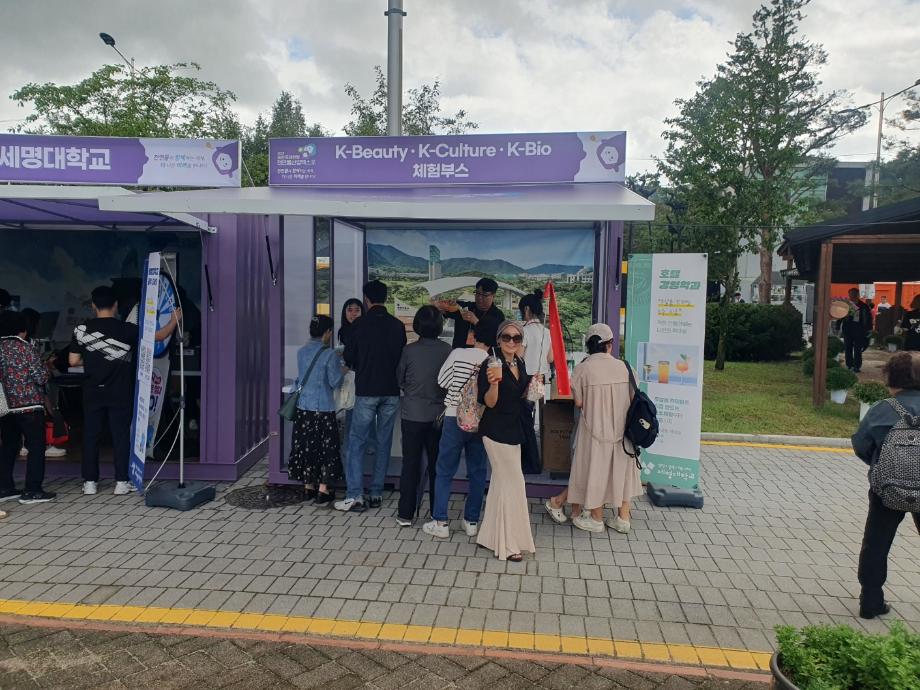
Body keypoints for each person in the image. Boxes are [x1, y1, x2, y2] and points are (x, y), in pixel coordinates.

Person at [545, 324, 641, 533]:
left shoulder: (583, 369)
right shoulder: (626, 367)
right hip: (624, 433)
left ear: (589, 346)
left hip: (595, 431)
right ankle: (623, 518)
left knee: (595, 469)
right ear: (610, 344)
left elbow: (579, 402)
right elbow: (634, 397)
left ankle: (596, 519)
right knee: (622, 471)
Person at [850, 352, 920, 619]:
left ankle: (871, 601)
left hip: (887, 489)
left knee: (876, 543)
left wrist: (881, 463)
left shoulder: (883, 409)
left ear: (892, 378)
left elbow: (861, 445)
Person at [423, 319, 497, 539]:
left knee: (445, 470)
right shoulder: (493, 362)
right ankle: (471, 521)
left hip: (454, 417)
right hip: (480, 421)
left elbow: (442, 381)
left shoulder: (457, 354)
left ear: (473, 335)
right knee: (477, 471)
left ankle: (441, 522)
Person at [336, 280, 407, 513]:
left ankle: (355, 494)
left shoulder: (359, 325)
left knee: (356, 442)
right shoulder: (397, 326)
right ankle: (376, 492)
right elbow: (401, 357)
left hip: (366, 390)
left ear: (366, 299)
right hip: (391, 391)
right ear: (385, 298)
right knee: (383, 442)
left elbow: (349, 357)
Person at [69, 286, 139, 496]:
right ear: (115, 305)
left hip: (92, 391)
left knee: (91, 435)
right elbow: (158, 337)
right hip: (120, 391)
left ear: (93, 305)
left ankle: (90, 482)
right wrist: (173, 321)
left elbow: (73, 361)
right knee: (120, 435)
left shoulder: (82, 330)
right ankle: (121, 482)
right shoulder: (128, 329)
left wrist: (93, 358)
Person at [475, 320, 535, 562]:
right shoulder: (491, 362)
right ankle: (509, 544)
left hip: (515, 428)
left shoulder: (519, 361)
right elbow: (489, 402)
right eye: (507, 337)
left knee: (501, 483)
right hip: (496, 430)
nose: (512, 342)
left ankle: (489, 536)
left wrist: (533, 388)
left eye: (516, 338)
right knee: (514, 484)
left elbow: (520, 393)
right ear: (499, 339)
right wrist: (494, 383)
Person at [395, 306, 452, 526]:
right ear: (439, 326)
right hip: (439, 415)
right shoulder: (447, 350)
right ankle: (437, 513)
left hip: (412, 414)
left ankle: (405, 514)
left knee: (410, 464)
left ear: (417, 325)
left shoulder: (409, 351)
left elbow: (399, 379)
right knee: (438, 465)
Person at [288, 315, 345, 506]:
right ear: (328, 332)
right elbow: (335, 382)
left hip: (303, 408)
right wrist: (343, 370)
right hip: (323, 409)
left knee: (306, 448)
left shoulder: (302, 352)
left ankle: (308, 487)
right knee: (325, 449)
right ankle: (323, 490)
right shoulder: (329, 354)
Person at [0, 310, 55, 504]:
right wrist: (47, 368)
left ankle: (5, 488)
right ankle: (32, 490)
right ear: (22, 329)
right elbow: (40, 377)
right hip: (29, 405)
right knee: (36, 445)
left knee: (8, 445)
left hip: (6, 406)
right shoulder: (25, 348)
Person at [127, 274, 181, 458]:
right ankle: (143, 446)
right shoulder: (140, 310)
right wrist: (174, 320)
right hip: (141, 364)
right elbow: (157, 336)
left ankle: (145, 445)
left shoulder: (137, 309)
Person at [519, 290, 552, 474]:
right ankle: (535, 460)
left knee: (524, 421)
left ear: (526, 309)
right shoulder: (547, 331)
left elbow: (518, 356)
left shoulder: (524, 331)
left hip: (525, 380)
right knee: (529, 419)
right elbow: (551, 358)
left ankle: (531, 462)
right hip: (540, 379)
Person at [440, 277, 505, 349]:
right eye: (478, 293)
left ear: (493, 296)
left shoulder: (498, 316)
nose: (480, 297)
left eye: (484, 295)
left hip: (484, 355)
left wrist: (476, 322)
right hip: (459, 353)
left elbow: (496, 341)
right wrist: (447, 304)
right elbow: (441, 308)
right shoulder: (464, 307)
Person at [839, 288, 872, 373]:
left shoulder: (864, 306)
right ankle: (849, 365)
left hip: (859, 330)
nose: (852, 296)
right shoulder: (846, 305)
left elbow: (869, 319)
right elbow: (840, 316)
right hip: (848, 330)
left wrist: (869, 329)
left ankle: (857, 366)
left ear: (858, 295)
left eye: (854, 294)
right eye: (851, 294)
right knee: (848, 348)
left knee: (858, 349)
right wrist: (837, 326)